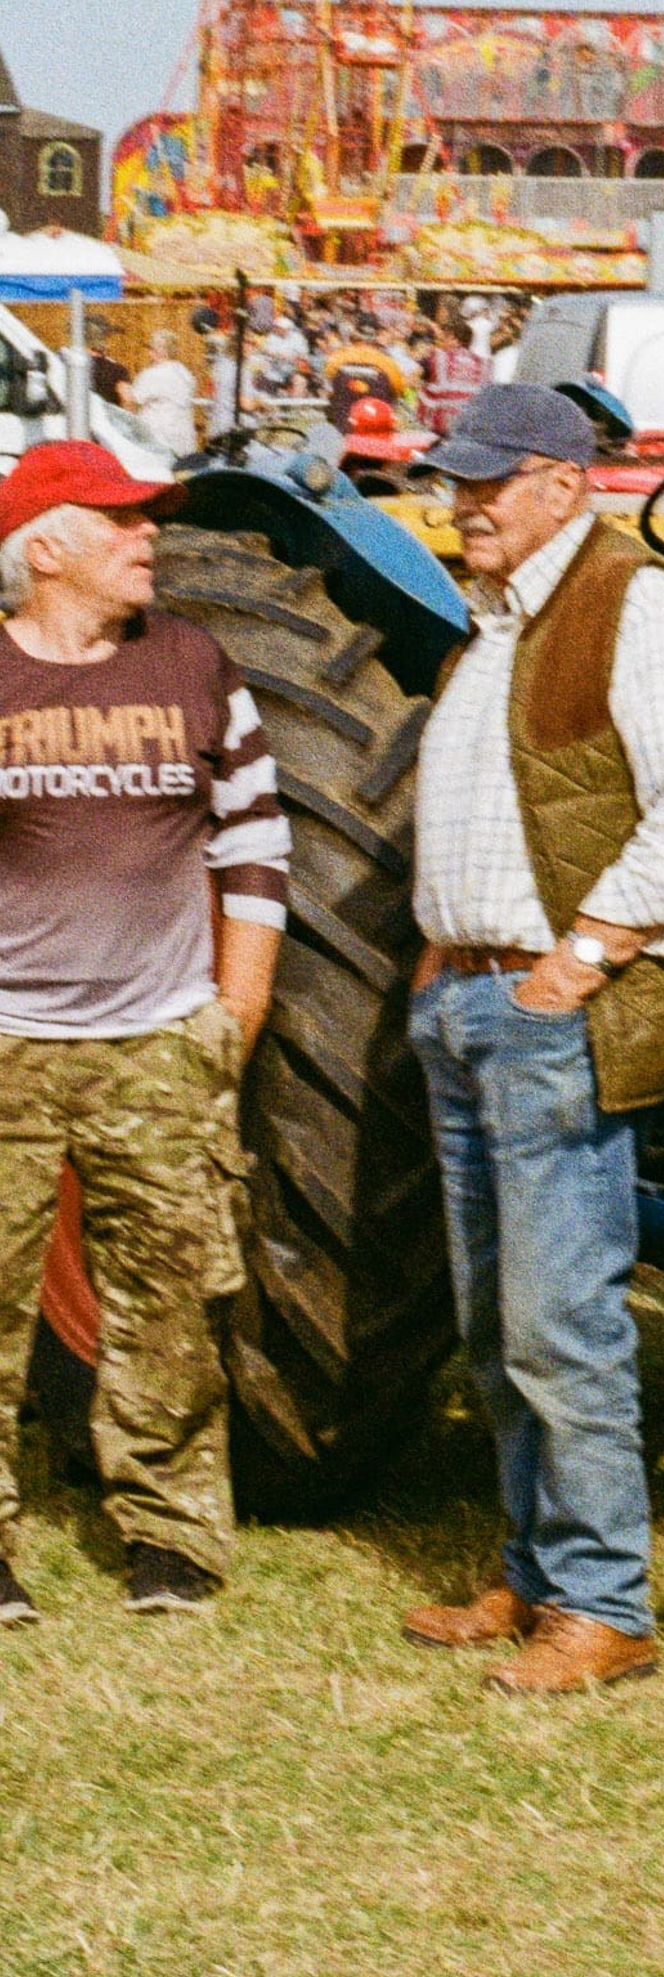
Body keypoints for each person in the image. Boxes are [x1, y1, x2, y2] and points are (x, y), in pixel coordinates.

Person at [401, 384, 664, 1694]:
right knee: (495, 1327)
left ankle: (607, 1610)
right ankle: (536, 1572)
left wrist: (582, 958)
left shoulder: (632, 600)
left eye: (492, 482)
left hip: (549, 1011)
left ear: (567, 484)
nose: (466, 503)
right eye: (460, 480)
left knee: (563, 1323)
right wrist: (445, 964)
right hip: (468, 1005)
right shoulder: (490, 628)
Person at [0, 442, 291, 1622]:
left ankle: (170, 1538)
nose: (148, 535)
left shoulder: (192, 663)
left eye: (147, 518)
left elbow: (255, 842)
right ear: (45, 547)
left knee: (172, 1303)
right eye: (118, 520)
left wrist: (237, 1009)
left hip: (161, 1043)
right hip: (9, 1041)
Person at [130, 332, 201, 459]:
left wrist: (123, 388)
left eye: (151, 348)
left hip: (159, 441)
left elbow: (134, 398)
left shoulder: (152, 375)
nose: (149, 353)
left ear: (160, 351)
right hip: (183, 440)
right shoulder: (185, 374)